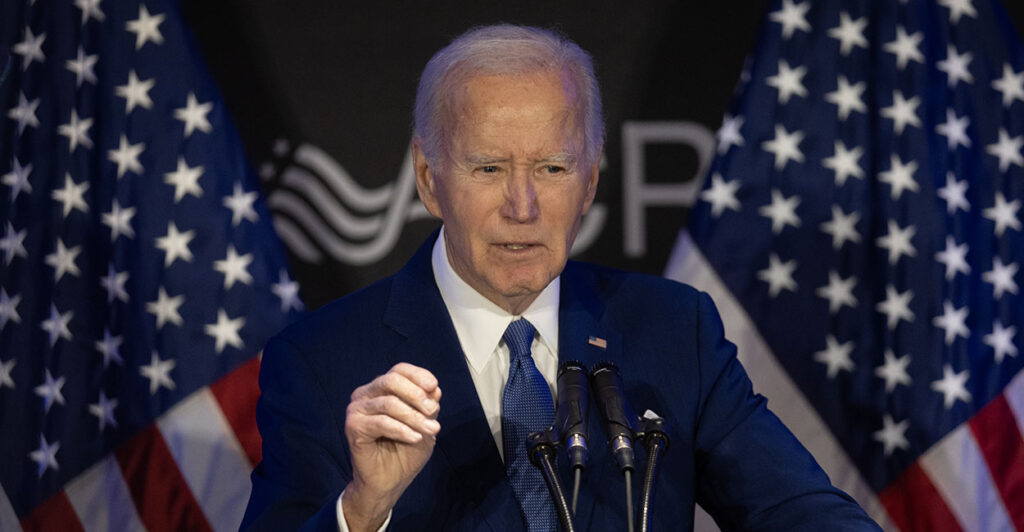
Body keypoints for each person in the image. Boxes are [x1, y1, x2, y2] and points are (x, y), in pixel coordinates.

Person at [241, 24, 881, 531]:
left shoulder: (673, 329)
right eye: (488, 169)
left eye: (552, 168)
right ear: (430, 179)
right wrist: (361, 510)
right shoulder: (321, 361)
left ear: (592, 180)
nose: (523, 206)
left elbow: (800, 513)